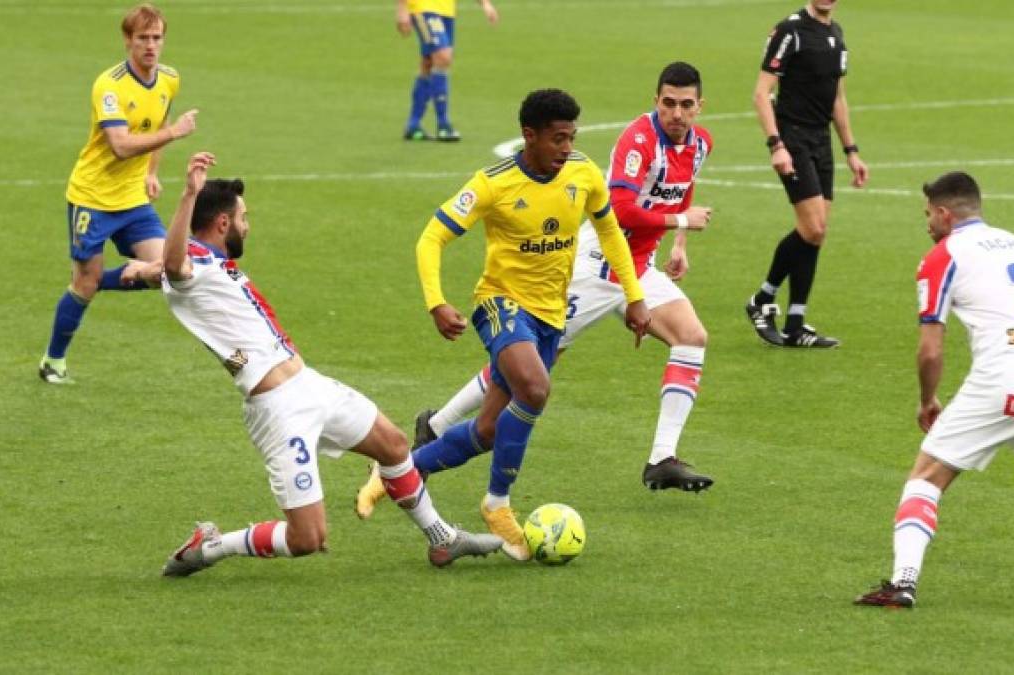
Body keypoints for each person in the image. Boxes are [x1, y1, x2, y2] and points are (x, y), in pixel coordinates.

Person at [159, 152, 503, 576]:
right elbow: (173, 266)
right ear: (224, 224)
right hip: (276, 410)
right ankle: (212, 546)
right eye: (244, 217)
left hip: (308, 384)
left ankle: (442, 540)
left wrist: (133, 272)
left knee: (394, 444)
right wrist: (189, 195)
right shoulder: (185, 266)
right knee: (308, 539)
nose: (249, 224)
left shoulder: (212, 263)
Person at [357, 89, 650, 560]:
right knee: (534, 390)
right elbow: (431, 237)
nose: (565, 148)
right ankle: (497, 504)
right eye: (557, 138)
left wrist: (634, 296)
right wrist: (436, 302)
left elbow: (611, 230)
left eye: (571, 138)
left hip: (551, 316)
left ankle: (397, 472)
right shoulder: (493, 184)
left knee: (491, 430)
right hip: (501, 305)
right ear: (529, 135)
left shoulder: (583, 173)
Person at [405, 62, 717, 493]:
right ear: (656, 101)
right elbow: (620, 211)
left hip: (637, 268)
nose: (677, 113)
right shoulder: (638, 141)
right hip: (593, 266)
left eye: (686, 105)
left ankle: (662, 457)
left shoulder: (700, 144)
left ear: (700, 106)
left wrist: (679, 242)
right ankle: (438, 426)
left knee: (692, 337)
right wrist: (680, 218)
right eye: (669, 103)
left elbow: (681, 187)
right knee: (530, 365)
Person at [855, 172, 1014, 608]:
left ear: (944, 213)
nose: (926, 225)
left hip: (1003, 376)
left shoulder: (944, 255)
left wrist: (927, 399)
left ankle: (903, 582)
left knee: (926, 478)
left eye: (928, 215)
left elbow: (930, 351)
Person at [39, 3, 199, 383]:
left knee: (172, 270)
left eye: (156, 38)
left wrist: (152, 172)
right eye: (142, 38)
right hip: (92, 198)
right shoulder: (109, 85)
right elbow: (121, 146)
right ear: (128, 40)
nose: (150, 45)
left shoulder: (169, 79)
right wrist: (175, 133)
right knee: (84, 283)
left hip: (132, 200)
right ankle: (53, 361)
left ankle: (115, 276)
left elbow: (156, 124)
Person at [744, 0, 869, 348]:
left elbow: (837, 99)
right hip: (793, 137)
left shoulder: (836, 33)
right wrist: (776, 145)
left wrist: (851, 151)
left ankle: (796, 322)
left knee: (816, 232)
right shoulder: (790, 30)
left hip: (821, 140)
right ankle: (762, 299)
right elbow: (761, 93)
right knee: (813, 226)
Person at [396, 0, 498, 141]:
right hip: (423, 7)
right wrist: (402, 8)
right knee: (443, 57)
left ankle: (413, 125)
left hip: (446, 10)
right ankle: (443, 125)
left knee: (428, 63)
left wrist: (485, 4)